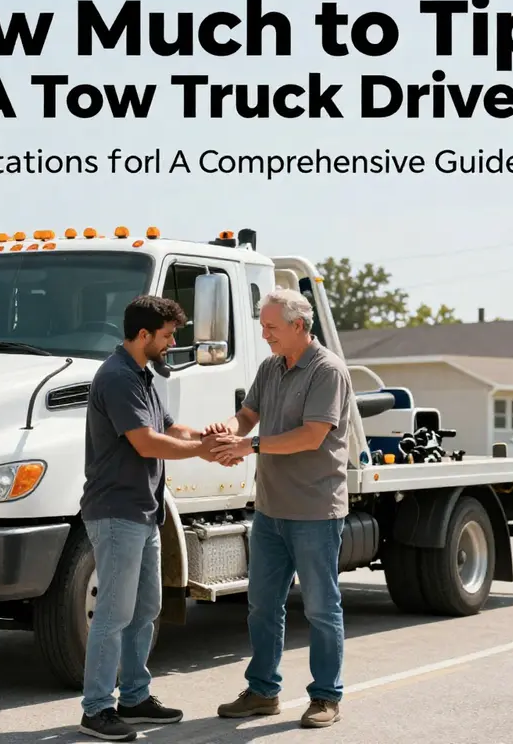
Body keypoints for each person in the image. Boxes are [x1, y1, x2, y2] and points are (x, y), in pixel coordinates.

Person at [78, 294, 222, 742]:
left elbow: (169, 428)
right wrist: (205, 452)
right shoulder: (117, 378)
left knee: (145, 610)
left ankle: (135, 698)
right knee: (113, 614)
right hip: (117, 512)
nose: (172, 341)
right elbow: (146, 443)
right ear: (144, 335)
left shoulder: (142, 374)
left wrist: (210, 435)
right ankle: (97, 709)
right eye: (167, 335)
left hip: (144, 511)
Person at [209, 287, 353, 730]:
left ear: (298, 326)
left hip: (314, 510)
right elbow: (248, 414)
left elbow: (311, 436)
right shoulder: (271, 367)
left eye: (271, 326)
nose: (264, 332)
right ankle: (262, 692)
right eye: (263, 324)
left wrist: (246, 445)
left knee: (320, 608)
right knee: (262, 605)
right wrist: (227, 431)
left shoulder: (327, 370)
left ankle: (326, 696)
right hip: (271, 508)